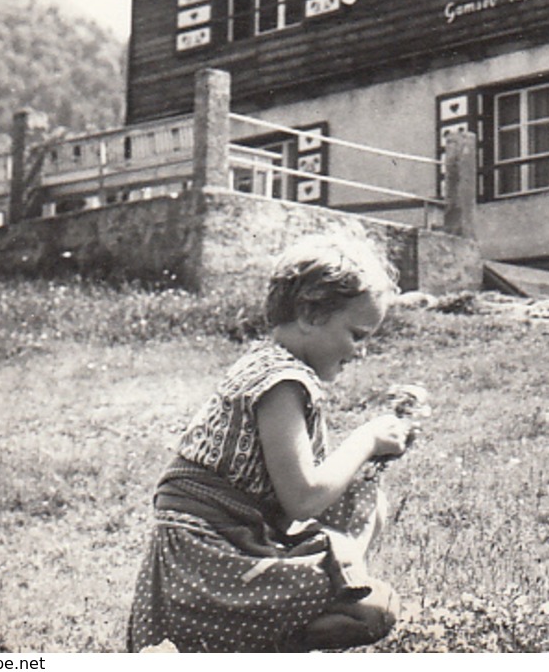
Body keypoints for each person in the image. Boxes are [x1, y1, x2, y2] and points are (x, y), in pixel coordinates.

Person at [126, 234, 418, 652]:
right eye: (357, 334)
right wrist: (366, 439)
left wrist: (367, 471)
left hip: (218, 551)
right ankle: (256, 647)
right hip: (204, 566)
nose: (361, 351)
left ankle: (259, 634)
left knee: (364, 500)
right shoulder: (281, 383)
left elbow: (298, 500)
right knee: (374, 609)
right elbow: (302, 498)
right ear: (309, 313)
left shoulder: (271, 368)